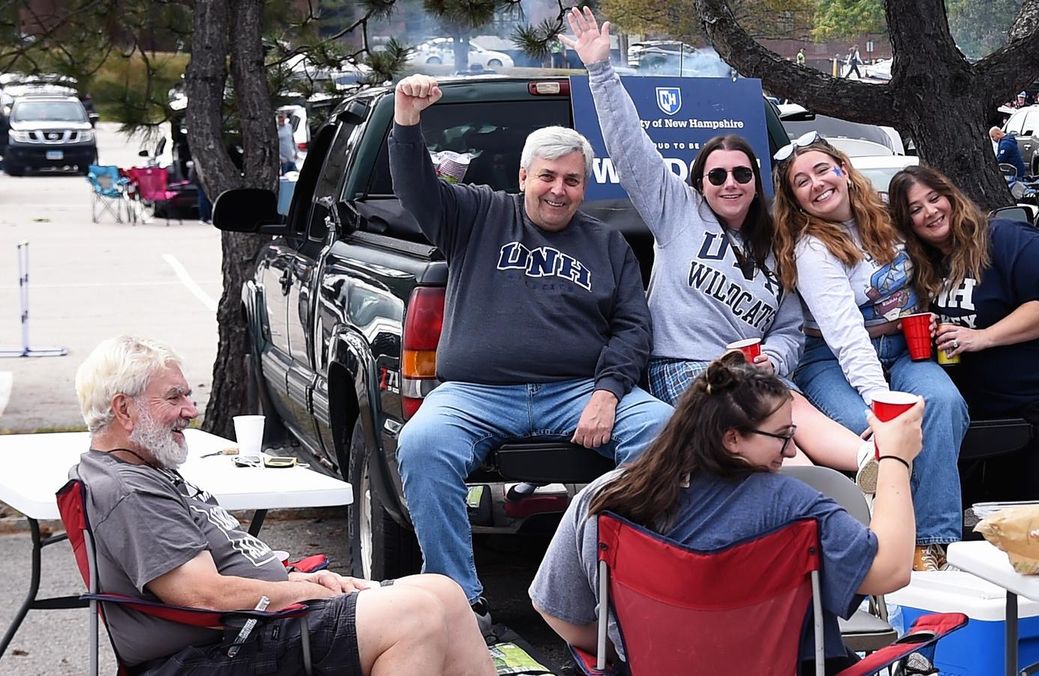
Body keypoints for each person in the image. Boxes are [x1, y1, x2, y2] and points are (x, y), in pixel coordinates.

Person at [388, 74, 673, 624]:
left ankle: (635, 587)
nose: (558, 189)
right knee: (422, 444)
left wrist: (609, 393)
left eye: (572, 179)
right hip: (476, 393)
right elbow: (417, 188)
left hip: (577, 391)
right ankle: (459, 601)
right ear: (524, 176)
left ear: (585, 186)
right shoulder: (475, 215)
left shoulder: (607, 244)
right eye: (547, 176)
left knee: (663, 431)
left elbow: (632, 328)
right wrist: (407, 119)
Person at [562, 7, 873, 481]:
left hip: (755, 375)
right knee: (771, 428)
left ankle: (876, 467)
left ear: (757, 181)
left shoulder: (777, 240)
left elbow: (789, 328)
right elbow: (631, 150)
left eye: (742, 174)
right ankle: (816, 489)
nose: (731, 184)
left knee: (794, 408)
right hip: (683, 367)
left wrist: (777, 357)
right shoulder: (677, 211)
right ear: (701, 182)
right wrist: (601, 72)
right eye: (718, 175)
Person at [70, 336, 495, 675]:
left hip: (255, 624)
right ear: (123, 409)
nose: (191, 409)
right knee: (413, 615)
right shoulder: (130, 489)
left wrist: (303, 578)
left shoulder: (145, 468)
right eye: (175, 397)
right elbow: (202, 595)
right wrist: (303, 591)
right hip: (214, 650)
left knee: (445, 591)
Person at [530, 352, 925, 673]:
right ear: (731, 437)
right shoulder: (794, 507)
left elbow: (557, 611)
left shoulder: (606, 500)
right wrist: (894, 459)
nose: (791, 451)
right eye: (783, 437)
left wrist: (635, 651)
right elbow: (890, 570)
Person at [890, 166, 1039, 670]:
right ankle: (1036, 638)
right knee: (1014, 534)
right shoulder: (931, 264)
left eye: (934, 199)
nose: (930, 213)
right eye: (915, 210)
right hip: (1003, 417)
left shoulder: (1004, 238)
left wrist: (982, 337)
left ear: (952, 194)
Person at [772, 134, 969, 571]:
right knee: (871, 433)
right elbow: (846, 336)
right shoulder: (811, 248)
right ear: (795, 200)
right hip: (832, 361)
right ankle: (877, 552)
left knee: (942, 403)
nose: (816, 184)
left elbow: (938, 259)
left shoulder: (887, 216)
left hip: (904, 348)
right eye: (801, 182)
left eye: (823, 170)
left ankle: (934, 543)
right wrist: (881, 406)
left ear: (843, 168)